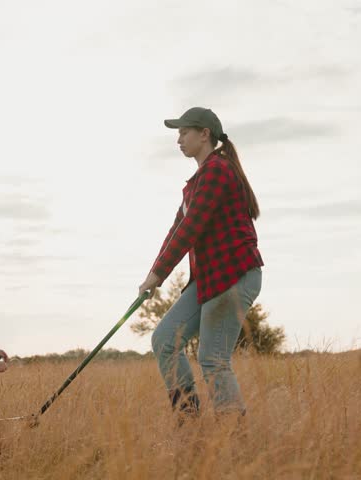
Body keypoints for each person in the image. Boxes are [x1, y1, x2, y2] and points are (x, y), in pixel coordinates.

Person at [138, 107, 263, 418]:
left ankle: (233, 441)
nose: (178, 139)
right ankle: (189, 420)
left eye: (183, 132)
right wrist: (152, 276)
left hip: (234, 274)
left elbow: (191, 228)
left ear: (204, 134)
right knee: (165, 339)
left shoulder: (218, 170)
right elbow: (176, 232)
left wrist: (159, 274)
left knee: (213, 358)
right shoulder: (195, 183)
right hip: (209, 279)